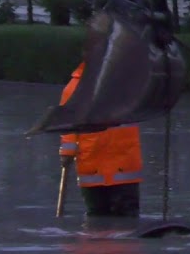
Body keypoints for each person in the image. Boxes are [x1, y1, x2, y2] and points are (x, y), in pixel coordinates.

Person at [58, 62, 144, 217]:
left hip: (122, 165)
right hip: (94, 164)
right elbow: (68, 124)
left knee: (126, 214)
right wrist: (67, 151)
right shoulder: (75, 87)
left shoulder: (126, 83)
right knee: (97, 214)